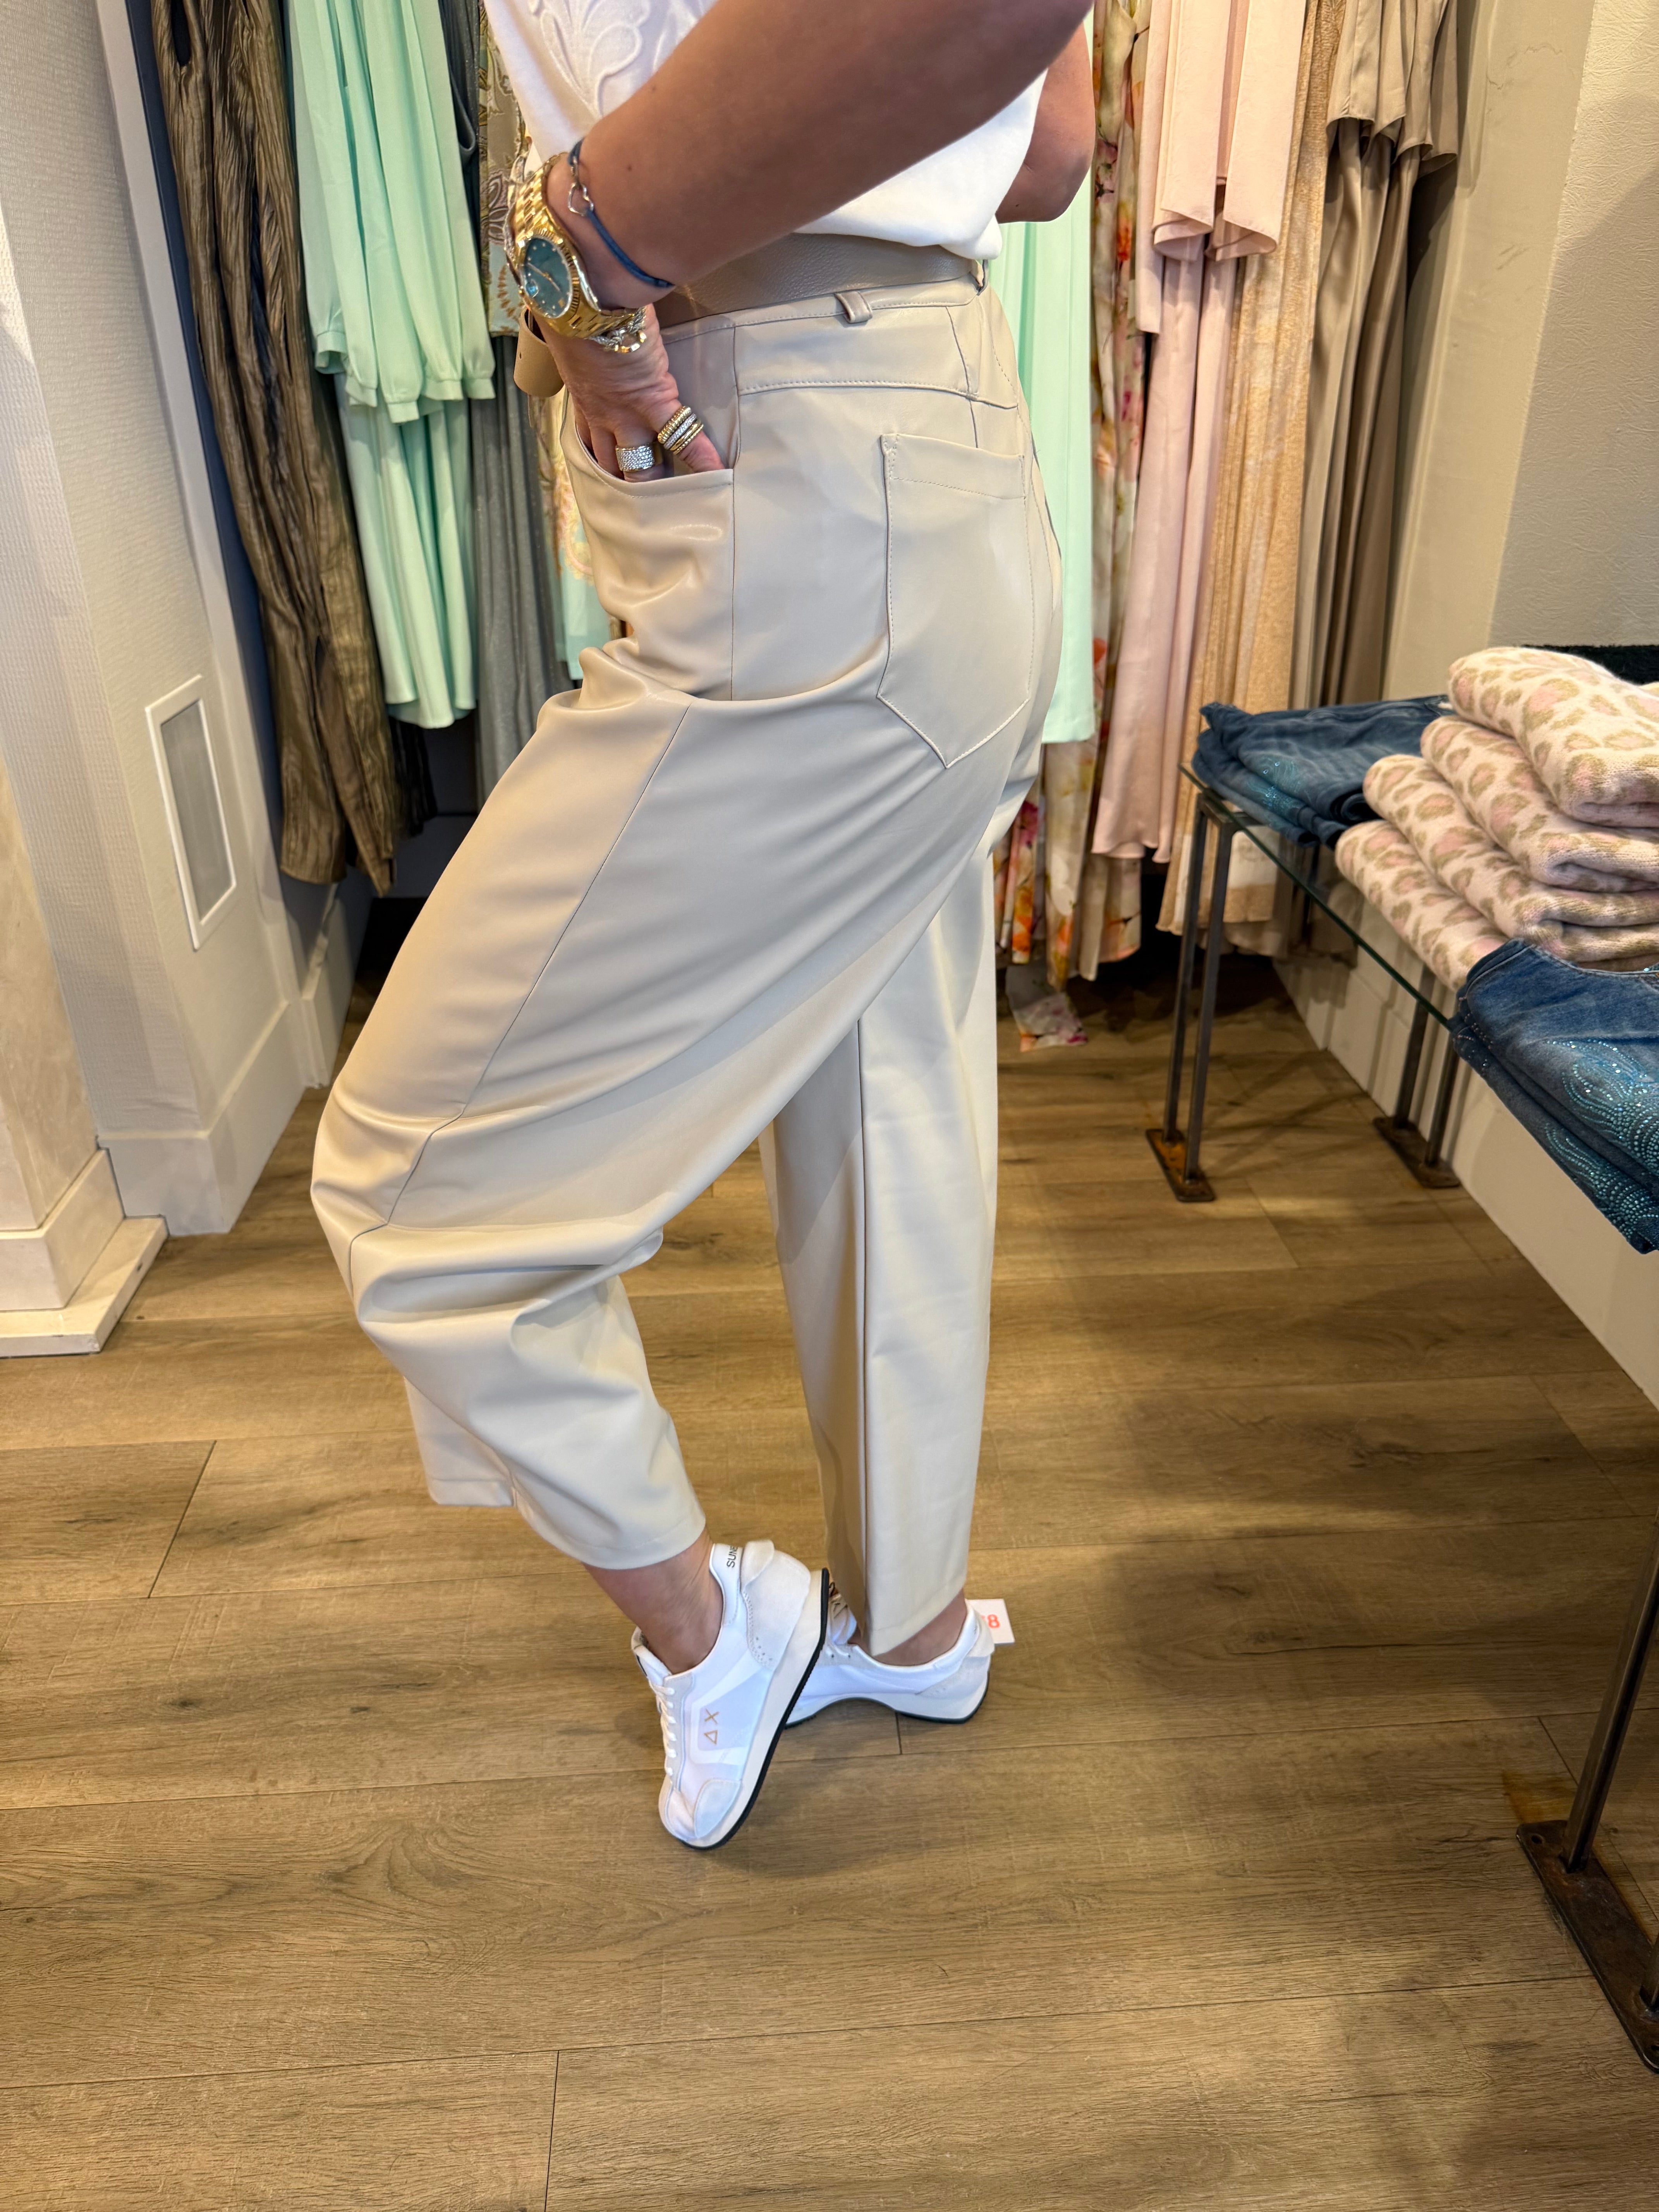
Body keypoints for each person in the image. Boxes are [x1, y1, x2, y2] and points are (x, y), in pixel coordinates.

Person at [311, 0, 1093, 1850]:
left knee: (421, 1198)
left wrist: (575, 260)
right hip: (911, 442)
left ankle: (718, 1635)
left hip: (800, 475)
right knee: (886, 1090)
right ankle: (907, 1626)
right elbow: (1051, 151)